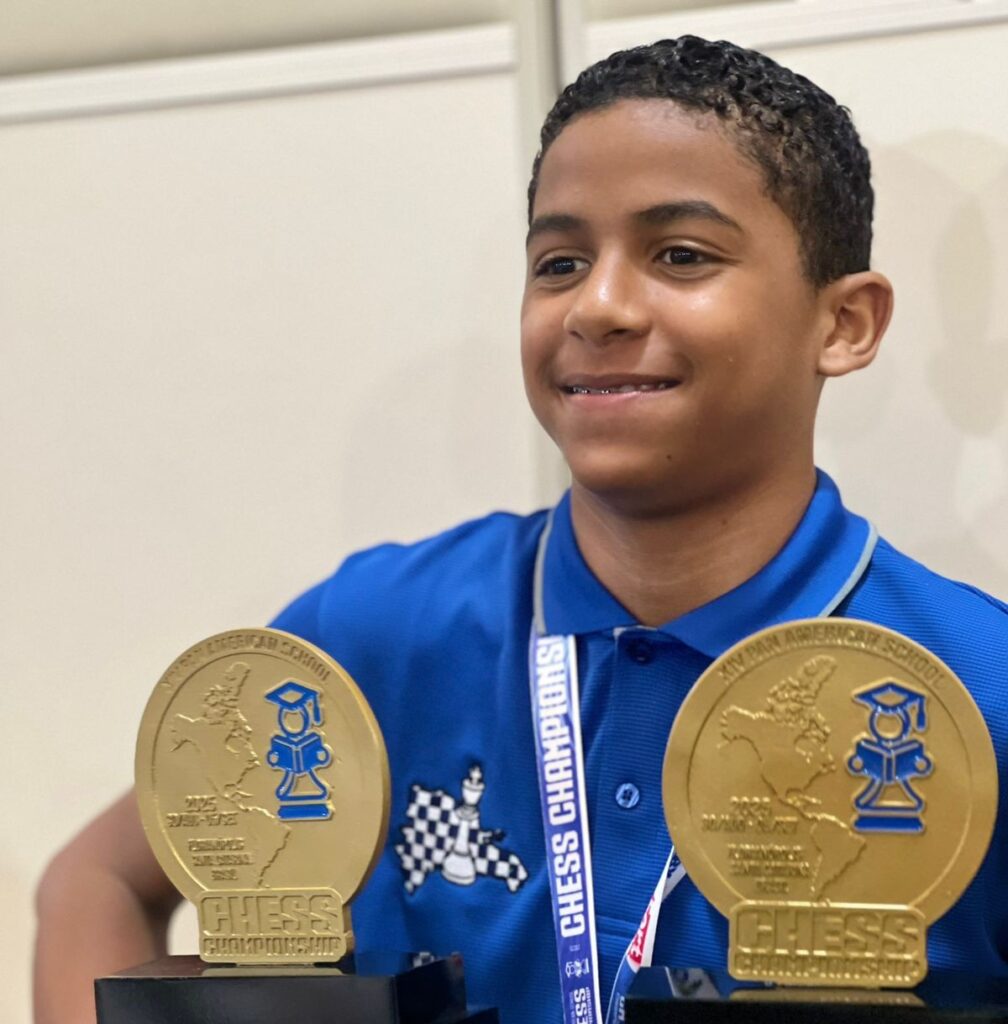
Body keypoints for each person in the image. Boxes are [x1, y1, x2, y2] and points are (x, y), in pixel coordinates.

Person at [33, 35, 1008, 1024]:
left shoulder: (981, 682)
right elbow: (94, 882)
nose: (600, 303)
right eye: (560, 260)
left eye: (681, 254)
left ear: (844, 324)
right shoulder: (380, 631)